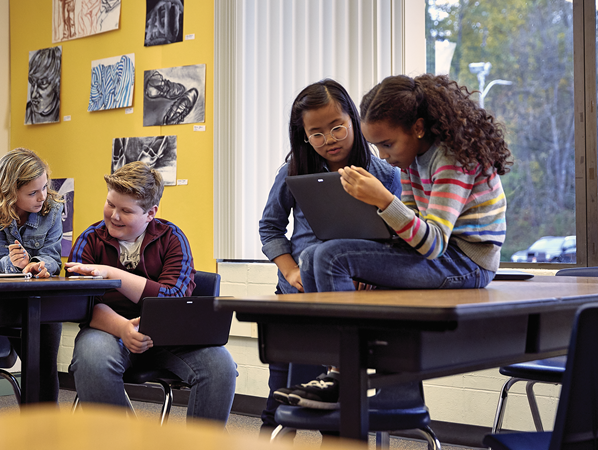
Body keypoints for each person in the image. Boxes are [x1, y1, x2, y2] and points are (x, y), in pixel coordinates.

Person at [287, 73, 512, 409]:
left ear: (418, 128)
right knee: (312, 257)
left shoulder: (452, 160)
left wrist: (381, 200)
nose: (383, 155)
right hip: (439, 256)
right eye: (377, 145)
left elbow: (433, 242)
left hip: (467, 262)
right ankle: (337, 370)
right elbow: (408, 229)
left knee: (333, 256)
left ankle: (344, 374)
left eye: (387, 144)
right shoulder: (409, 159)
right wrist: (373, 248)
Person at [258, 79, 401, 431]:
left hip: (349, 303)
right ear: (304, 136)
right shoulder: (295, 170)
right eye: (317, 134)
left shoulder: (384, 174)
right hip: (297, 297)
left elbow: (395, 238)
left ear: (353, 120)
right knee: (280, 399)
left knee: (335, 404)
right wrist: (290, 271)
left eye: (337, 127)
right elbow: (270, 228)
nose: (330, 139)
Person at [66, 161, 237, 425]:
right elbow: (79, 303)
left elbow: (173, 300)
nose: (114, 216)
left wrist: (112, 275)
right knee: (92, 360)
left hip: (168, 335)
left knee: (221, 366)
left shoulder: (172, 238)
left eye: (126, 210)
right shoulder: (90, 239)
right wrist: (123, 328)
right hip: (108, 330)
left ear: (150, 213)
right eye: (110, 204)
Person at [0, 147, 65, 403]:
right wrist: (16, 265)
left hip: (43, 300)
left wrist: (37, 264)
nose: (42, 197)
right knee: (32, 362)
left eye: (45, 188)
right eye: (32, 192)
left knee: (44, 366)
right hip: (8, 301)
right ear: (9, 193)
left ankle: (46, 434)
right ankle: (32, 432)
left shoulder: (53, 209)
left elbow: (53, 257)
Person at [25, 46, 61, 125]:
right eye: (32, 82)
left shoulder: (62, 110)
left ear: (56, 83)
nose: (34, 94)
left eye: (43, 83)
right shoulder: (27, 112)